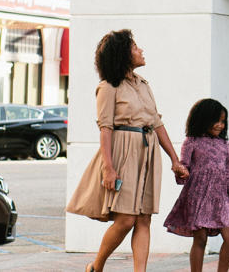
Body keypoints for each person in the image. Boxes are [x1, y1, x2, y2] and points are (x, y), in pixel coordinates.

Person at [66, 29, 189, 272]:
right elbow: (105, 128)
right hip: (124, 154)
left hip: (148, 152)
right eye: (134, 47)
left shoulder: (143, 85)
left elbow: (157, 122)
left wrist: (175, 160)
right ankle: (97, 266)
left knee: (144, 219)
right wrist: (108, 169)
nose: (140, 50)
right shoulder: (108, 87)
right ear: (123, 54)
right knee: (125, 219)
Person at [163, 98, 229, 272]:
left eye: (223, 121)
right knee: (200, 239)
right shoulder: (191, 141)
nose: (220, 125)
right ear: (204, 119)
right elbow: (184, 166)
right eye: (217, 121)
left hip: (220, 197)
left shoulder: (223, 144)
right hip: (198, 195)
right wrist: (180, 171)